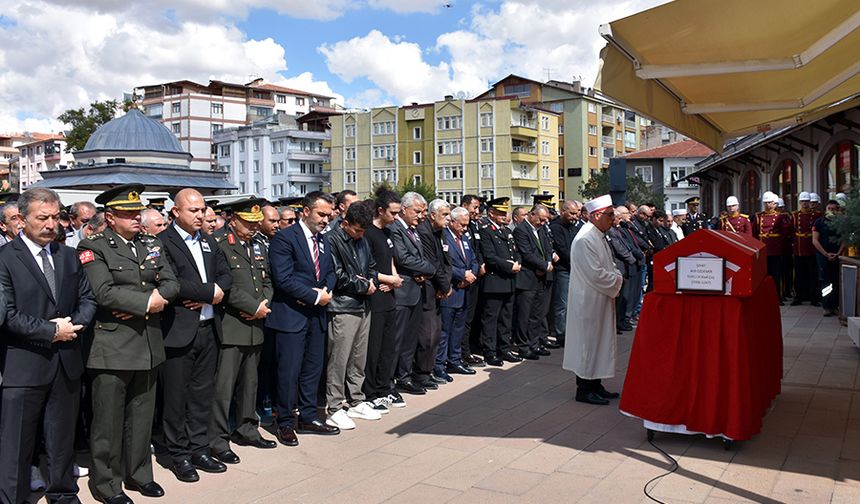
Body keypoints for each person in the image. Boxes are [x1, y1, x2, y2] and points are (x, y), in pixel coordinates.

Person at [77, 184, 179, 503]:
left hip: (148, 343)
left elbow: (171, 282)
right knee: (108, 422)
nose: (136, 217)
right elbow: (103, 292)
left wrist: (152, 301)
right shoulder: (93, 246)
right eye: (128, 213)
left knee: (141, 417)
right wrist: (147, 301)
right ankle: (107, 483)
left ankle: (139, 474)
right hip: (112, 346)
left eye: (138, 212)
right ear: (110, 217)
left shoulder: (151, 243)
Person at [0, 188, 96, 503]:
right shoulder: (4, 259)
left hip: (66, 362)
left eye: (55, 217)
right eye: (42, 218)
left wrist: (72, 327)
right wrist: (52, 331)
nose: (51, 224)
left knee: (62, 439)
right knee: (17, 444)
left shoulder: (68, 256)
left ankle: (63, 494)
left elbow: (87, 299)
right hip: (23, 364)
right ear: (21, 219)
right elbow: (7, 315)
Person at [159, 188, 233, 482]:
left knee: (202, 395)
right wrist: (207, 293)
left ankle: (199, 448)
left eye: (202, 210)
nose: (200, 215)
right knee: (176, 398)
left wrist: (214, 293)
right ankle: (179, 455)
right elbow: (170, 281)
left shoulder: (208, 240)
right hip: (178, 331)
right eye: (193, 210)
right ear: (176, 212)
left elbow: (226, 275)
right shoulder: (163, 241)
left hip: (208, 327)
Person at [266, 191, 340, 447]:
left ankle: (308, 417)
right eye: (321, 214)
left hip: (316, 315)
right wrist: (314, 296)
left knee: (312, 368)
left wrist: (326, 291)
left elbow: (330, 271)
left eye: (329, 215)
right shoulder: (285, 238)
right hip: (291, 316)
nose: (326, 220)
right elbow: (283, 278)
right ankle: (285, 421)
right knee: (289, 372)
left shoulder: (324, 240)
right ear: (306, 211)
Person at [208, 199, 277, 467]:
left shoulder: (258, 244)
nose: (253, 228)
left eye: (256, 223)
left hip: (255, 324)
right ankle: (217, 439)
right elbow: (224, 285)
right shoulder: (219, 243)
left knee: (250, 383)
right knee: (223, 388)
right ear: (234, 220)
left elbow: (267, 279)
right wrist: (252, 307)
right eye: (248, 223)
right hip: (231, 324)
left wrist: (263, 305)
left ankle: (247, 428)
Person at [324, 202, 381, 430]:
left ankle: (356, 400)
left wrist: (371, 281)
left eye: (363, 230)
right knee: (339, 359)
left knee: (359, 357)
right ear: (345, 223)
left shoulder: (363, 240)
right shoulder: (332, 239)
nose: (360, 234)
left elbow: (372, 266)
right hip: (342, 306)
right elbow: (336, 275)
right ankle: (334, 407)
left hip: (363, 304)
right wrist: (363, 285)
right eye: (357, 230)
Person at [562, 195, 624, 406]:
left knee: (599, 342)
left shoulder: (598, 235)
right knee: (588, 344)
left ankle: (596, 384)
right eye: (610, 215)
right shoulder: (585, 239)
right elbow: (595, 273)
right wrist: (618, 280)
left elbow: (609, 265)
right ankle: (584, 389)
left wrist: (616, 276)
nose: (613, 219)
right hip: (589, 300)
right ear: (597, 215)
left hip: (600, 297)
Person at [389, 192, 437, 395]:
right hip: (401, 293)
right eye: (417, 211)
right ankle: (390, 381)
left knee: (410, 340)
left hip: (415, 291)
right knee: (396, 340)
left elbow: (418, 257)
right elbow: (403, 258)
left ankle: (405, 377)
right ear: (404, 209)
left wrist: (423, 271)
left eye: (423, 211)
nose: (420, 215)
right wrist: (430, 269)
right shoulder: (395, 228)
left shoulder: (413, 230)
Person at [362, 189, 406, 412]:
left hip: (389, 295)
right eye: (393, 213)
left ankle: (384, 387)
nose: (396, 217)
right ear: (380, 210)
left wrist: (394, 278)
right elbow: (366, 267)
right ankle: (370, 392)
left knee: (388, 347)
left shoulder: (387, 233)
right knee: (374, 348)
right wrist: (387, 279)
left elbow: (389, 261)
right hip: (375, 297)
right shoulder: (368, 233)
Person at [478, 197, 523, 367]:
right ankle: (489, 351)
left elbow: (515, 252)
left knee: (506, 318)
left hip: (509, 281)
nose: (505, 216)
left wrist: (518, 263)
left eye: (505, 213)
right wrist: (509, 266)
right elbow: (490, 257)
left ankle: (504, 348)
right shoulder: (486, 231)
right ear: (491, 213)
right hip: (495, 281)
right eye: (501, 213)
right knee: (491, 319)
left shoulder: (506, 231)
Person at [415, 200, 453, 387]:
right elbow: (433, 263)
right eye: (444, 215)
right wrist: (444, 287)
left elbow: (447, 261)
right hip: (428, 289)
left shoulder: (441, 232)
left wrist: (445, 286)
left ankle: (428, 371)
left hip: (439, 288)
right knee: (427, 336)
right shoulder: (424, 232)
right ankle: (420, 374)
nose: (448, 218)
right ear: (432, 215)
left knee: (436, 334)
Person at [437, 206, 479, 379]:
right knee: (444, 330)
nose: (465, 228)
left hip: (464, 289)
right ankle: (439, 365)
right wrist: (462, 275)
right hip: (451, 289)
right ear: (452, 222)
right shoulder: (444, 238)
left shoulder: (465, 238)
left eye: (467, 225)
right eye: (462, 224)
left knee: (458, 329)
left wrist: (471, 275)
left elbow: (474, 259)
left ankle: (455, 360)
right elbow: (443, 263)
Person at [512, 204, 555, 359]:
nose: (543, 223)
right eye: (541, 219)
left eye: (545, 220)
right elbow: (526, 253)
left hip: (541, 277)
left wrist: (547, 263)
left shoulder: (541, 229)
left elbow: (548, 248)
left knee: (537, 314)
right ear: (532, 215)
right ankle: (524, 347)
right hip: (527, 277)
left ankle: (534, 344)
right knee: (525, 315)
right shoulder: (521, 230)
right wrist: (542, 265)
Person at [548, 200, 582, 347]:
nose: (575, 216)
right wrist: (578, 262)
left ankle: (571, 333)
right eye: (572, 213)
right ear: (563, 212)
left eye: (576, 213)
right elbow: (563, 250)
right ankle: (561, 334)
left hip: (575, 269)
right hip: (564, 270)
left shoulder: (574, 227)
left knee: (573, 304)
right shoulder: (556, 227)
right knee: (562, 305)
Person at [459, 195, 486, 368]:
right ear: (464, 205)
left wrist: (477, 268)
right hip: (462, 278)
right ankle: (463, 353)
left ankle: (467, 350)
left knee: (470, 318)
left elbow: (476, 252)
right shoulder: (458, 227)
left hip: (474, 277)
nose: (477, 211)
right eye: (474, 207)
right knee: (462, 319)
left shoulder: (474, 226)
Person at [753, 191, 793, 305]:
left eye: (770, 202)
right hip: (763, 249)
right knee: (763, 275)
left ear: (775, 204)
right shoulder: (759, 216)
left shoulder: (780, 216)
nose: (767, 205)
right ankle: (764, 297)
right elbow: (755, 233)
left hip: (775, 249)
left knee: (776, 275)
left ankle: (777, 297)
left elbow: (786, 231)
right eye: (765, 203)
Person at [813, 200, 844, 317]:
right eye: (829, 209)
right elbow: (815, 241)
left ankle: (835, 306)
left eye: (834, 209)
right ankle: (826, 306)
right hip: (822, 255)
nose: (831, 211)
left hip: (837, 255)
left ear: (838, 210)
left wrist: (838, 253)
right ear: (826, 210)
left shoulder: (841, 222)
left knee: (836, 280)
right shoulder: (819, 222)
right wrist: (826, 254)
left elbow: (844, 239)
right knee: (826, 280)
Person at [792, 192, 822, 306]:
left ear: (810, 202)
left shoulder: (816, 215)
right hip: (799, 247)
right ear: (800, 202)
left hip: (811, 247)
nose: (805, 203)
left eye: (806, 201)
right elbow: (791, 230)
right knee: (799, 274)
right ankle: (798, 296)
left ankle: (813, 297)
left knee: (813, 274)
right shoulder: (795, 215)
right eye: (803, 201)